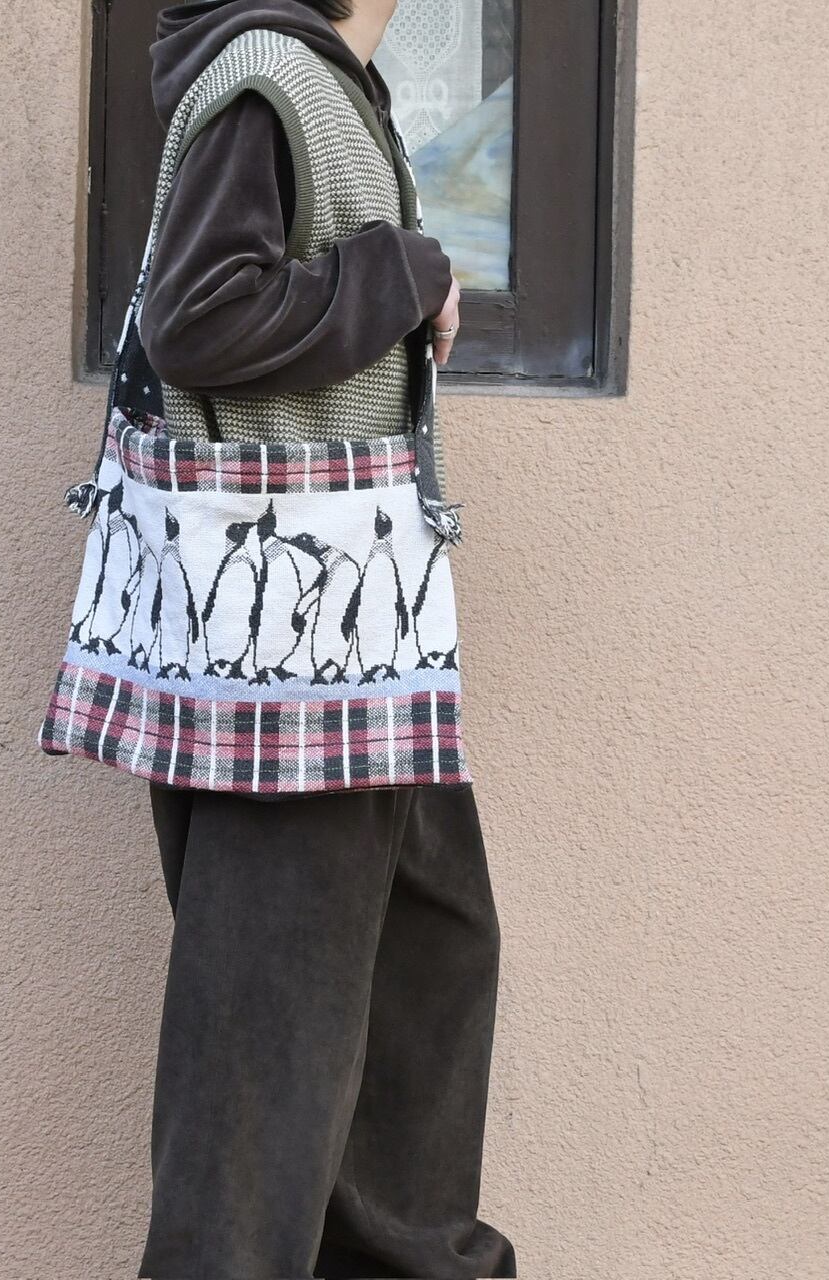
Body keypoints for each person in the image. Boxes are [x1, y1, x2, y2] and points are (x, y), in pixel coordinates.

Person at [132, 2, 516, 1276]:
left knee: (426, 965)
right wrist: (404, 273)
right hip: (292, 652)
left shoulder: (319, 80)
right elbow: (199, 315)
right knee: (262, 1059)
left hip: (358, 637)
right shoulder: (268, 79)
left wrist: (409, 274)